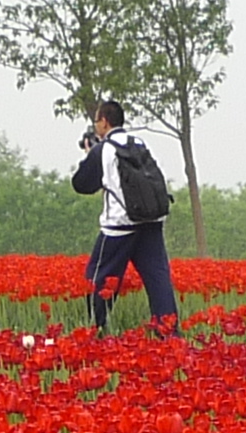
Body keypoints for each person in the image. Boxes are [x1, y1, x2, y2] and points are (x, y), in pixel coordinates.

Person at [71, 100, 179, 337]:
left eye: (97, 121)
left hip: (119, 226)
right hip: (151, 221)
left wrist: (89, 155)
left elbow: (81, 184)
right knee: (158, 278)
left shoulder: (104, 149)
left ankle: (94, 329)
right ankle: (169, 333)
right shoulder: (138, 143)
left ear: (104, 122)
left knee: (98, 278)